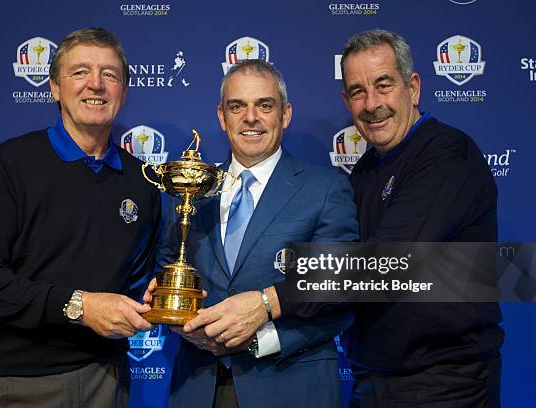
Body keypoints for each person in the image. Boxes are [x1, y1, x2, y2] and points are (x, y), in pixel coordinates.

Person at [193, 29, 504, 408]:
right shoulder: (366, 170)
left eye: (383, 85)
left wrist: (267, 300)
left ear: (414, 87)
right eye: (357, 91)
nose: (371, 103)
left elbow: (385, 261)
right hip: (374, 376)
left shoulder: (447, 155)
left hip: (443, 381)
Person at [0, 27, 160, 407]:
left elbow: (135, 282)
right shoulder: (9, 164)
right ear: (54, 88)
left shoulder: (142, 181)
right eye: (80, 72)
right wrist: (79, 306)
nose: (95, 85)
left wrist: (153, 296)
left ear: (124, 92)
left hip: (103, 379)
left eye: (109, 75)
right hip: (6, 381)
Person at [146, 59, 358, 408]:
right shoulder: (192, 188)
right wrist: (180, 321)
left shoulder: (325, 189)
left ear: (285, 114)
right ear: (221, 116)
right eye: (237, 106)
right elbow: (168, 273)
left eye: (264, 105)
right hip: (197, 387)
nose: (250, 117)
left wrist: (262, 338)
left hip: (290, 386)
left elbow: (340, 290)